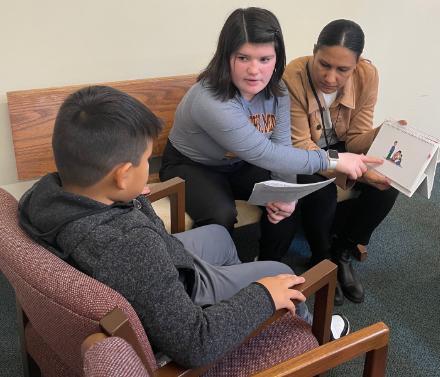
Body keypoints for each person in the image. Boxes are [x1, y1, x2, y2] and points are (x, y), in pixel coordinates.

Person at [18, 85, 349, 369]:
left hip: (153, 266)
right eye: (145, 161)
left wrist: (126, 198)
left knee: (220, 236)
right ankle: (309, 333)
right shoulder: (127, 245)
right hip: (181, 300)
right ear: (120, 176)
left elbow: (127, 238)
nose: (148, 166)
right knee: (281, 274)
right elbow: (195, 343)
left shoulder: (44, 198)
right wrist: (263, 295)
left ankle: (236, 304)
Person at [159, 7, 380, 262]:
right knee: (221, 214)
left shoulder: (278, 91)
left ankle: (266, 269)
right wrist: (335, 160)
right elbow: (266, 154)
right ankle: (213, 280)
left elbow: (282, 146)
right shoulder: (210, 99)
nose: (255, 70)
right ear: (226, 56)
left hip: (239, 163)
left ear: (277, 58)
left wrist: (285, 194)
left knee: (294, 192)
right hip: (192, 166)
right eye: (243, 58)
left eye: (264, 59)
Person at [283, 19, 402, 305]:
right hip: (304, 153)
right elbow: (301, 144)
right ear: (314, 51)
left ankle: (343, 248)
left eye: (342, 70)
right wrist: (352, 171)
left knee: (389, 182)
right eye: (323, 64)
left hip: (342, 148)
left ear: (357, 64)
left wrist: (383, 133)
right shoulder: (293, 76)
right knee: (320, 187)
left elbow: (357, 138)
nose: (330, 77)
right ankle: (321, 257)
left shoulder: (367, 75)